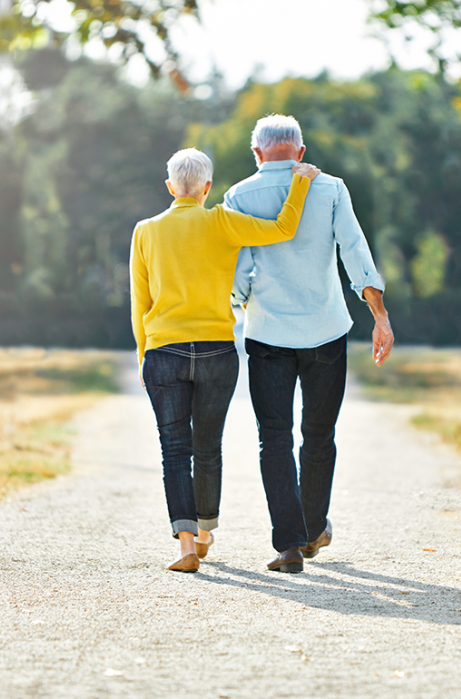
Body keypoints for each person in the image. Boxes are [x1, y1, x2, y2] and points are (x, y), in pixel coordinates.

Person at [130, 147, 320, 573]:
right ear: (207, 187)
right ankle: (204, 531)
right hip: (217, 350)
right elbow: (284, 228)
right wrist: (301, 181)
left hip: (164, 351)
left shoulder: (146, 231)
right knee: (208, 447)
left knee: (174, 451)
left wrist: (144, 354)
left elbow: (139, 302)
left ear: (170, 187)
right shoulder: (221, 221)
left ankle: (186, 548)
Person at [225, 115, 393, 574]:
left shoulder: (239, 195)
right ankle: (315, 526)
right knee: (319, 435)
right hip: (325, 330)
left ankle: (289, 545)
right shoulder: (331, 188)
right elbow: (354, 250)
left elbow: (240, 269)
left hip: (267, 335)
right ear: (300, 153)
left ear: (257, 154)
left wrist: (237, 305)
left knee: (273, 438)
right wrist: (379, 315)